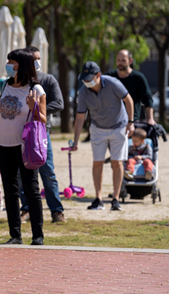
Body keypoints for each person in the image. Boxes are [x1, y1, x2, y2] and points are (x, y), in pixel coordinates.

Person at [0, 48, 47, 246]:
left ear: (22, 65)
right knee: (10, 190)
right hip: (2, 144)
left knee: (31, 189)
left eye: (11, 61)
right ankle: (15, 235)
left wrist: (33, 105)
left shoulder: (36, 89)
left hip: (25, 146)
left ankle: (38, 235)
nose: (8, 65)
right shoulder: (4, 85)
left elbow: (42, 120)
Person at [72, 61, 135, 211]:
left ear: (98, 75)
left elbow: (128, 100)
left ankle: (115, 199)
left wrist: (131, 122)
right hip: (98, 128)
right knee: (97, 162)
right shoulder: (83, 92)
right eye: (84, 78)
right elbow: (80, 117)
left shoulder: (113, 83)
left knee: (117, 162)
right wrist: (75, 141)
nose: (86, 81)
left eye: (89, 78)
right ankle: (98, 199)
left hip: (119, 126)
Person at [19, 46, 66, 224]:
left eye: (39, 58)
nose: (37, 62)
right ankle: (26, 209)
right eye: (33, 59)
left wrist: (38, 107)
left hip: (41, 133)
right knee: (23, 173)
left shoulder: (48, 79)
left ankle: (57, 211)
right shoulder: (17, 81)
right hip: (21, 134)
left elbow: (59, 103)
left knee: (47, 172)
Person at [107, 49, 155, 125]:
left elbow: (147, 98)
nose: (120, 63)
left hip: (133, 120)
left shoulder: (138, 78)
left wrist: (150, 119)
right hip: (112, 119)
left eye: (123, 60)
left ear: (130, 61)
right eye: (118, 60)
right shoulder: (109, 76)